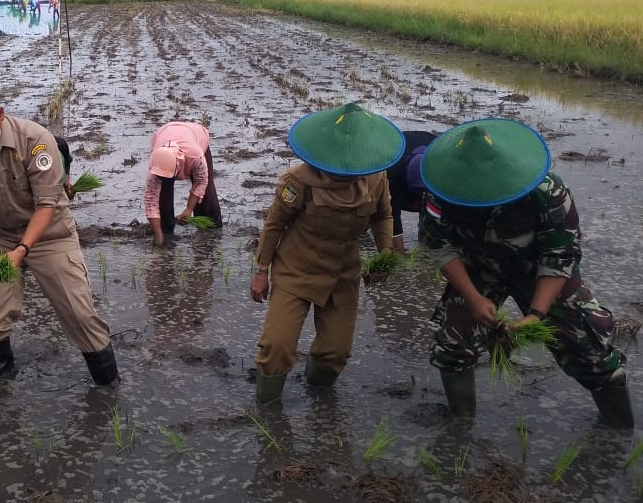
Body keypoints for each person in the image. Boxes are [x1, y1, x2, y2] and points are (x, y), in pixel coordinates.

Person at [420, 118, 633, 427]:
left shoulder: (548, 191)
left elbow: (559, 256)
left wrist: (536, 314)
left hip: (538, 270)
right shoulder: (442, 189)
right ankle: (461, 427)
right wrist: (473, 298)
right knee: (453, 345)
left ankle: (619, 433)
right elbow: (440, 245)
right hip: (478, 267)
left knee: (591, 353)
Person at [0, 84, 118, 385]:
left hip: (51, 234)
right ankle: (2, 388)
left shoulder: (36, 140)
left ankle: (108, 390)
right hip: (1, 236)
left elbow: (46, 205)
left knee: (80, 317)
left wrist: (23, 249)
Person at [249, 103, 402, 403]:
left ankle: (319, 403)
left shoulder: (376, 178)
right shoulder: (297, 181)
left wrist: (385, 255)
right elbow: (274, 224)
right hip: (296, 270)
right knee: (277, 346)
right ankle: (267, 412)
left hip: (342, 274)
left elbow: (383, 215)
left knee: (335, 352)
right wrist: (261, 271)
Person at [144, 121, 223, 245]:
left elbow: (201, 182)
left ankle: (211, 235)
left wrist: (188, 209)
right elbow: (151, 201)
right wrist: (158, 234)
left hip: (195, 136)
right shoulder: (156, 165)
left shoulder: (196, 157)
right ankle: (166, 236)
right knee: (162, 198)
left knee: (206, 195)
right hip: (164, 134)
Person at [386, 130, 438, 253]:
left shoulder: (444, 168)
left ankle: (424, 242)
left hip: (432, 152)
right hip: (397, 149)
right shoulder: (391, 171)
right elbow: (392, 215)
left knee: (431, 224)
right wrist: (399, 253)